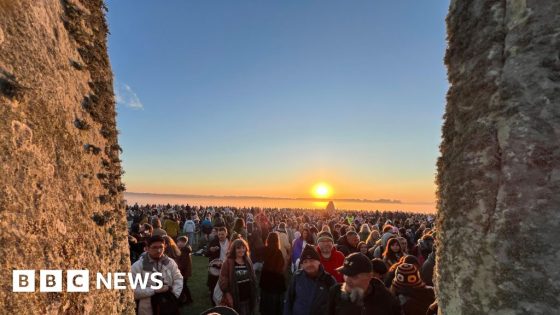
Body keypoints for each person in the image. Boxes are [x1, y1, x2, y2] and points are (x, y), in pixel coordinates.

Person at [326, 253, 400, 315]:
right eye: (345, 274)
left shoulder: (386, 298)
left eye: (354, 276)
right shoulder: (335, 292)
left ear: (369, 276)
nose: (347, 280)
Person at [131, 235, 183, 315]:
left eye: (161, 247)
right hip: (147, 308)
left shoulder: (170, 263)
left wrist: (174, 295)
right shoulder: (138, 266)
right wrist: (154, 290)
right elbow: (132, 291)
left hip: (168, 305)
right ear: (147, 248)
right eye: (154, 247)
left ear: (165, 247)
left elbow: (178, 279)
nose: (158, 250)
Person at [284, 245, 336, 315]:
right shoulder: (297, 277)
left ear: (319, 262)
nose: (309, 264)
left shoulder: (328, 280)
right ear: (301, 265)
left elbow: (335, 305)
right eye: (305, 262)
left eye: (312, 260)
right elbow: (289, 301)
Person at [218, 238, 258, 315]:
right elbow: (223, 280)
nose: (241, 250)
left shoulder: (247, 260)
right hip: (236, 297)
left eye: (243, 247)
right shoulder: (228, 262)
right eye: (238, 248)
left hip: (248, 296)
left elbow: (253, 277)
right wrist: (228, 294)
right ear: (233, 249)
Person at [260, 232, 286, 315]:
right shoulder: (278, 252)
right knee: (275, 305)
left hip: (266, 281)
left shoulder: (264, 250)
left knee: (266, 302)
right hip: (276, 283)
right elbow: (280, 268)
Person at [205, 227, 230, 305]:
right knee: (214, 286)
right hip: (216, 267)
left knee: (226, 286)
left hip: (227, 267)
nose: (221, 236)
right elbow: (206, 253)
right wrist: (211, 250)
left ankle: (225, 302)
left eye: (222, 234)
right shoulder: (214, 241)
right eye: (219, 234)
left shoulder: (230, 242)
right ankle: (214, 304)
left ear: (226, 234)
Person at [176, 236, 193, 305]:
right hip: (183, 271)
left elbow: (183, 263)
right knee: (183, 285)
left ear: (184, 243)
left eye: (181, 242)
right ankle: (187, 299)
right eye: (178, 242)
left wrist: (178, 269)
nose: (179, 243)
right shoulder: (183, 250)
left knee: (183, 286)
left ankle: (187, 299)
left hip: (183, 271)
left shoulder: (184, 251)